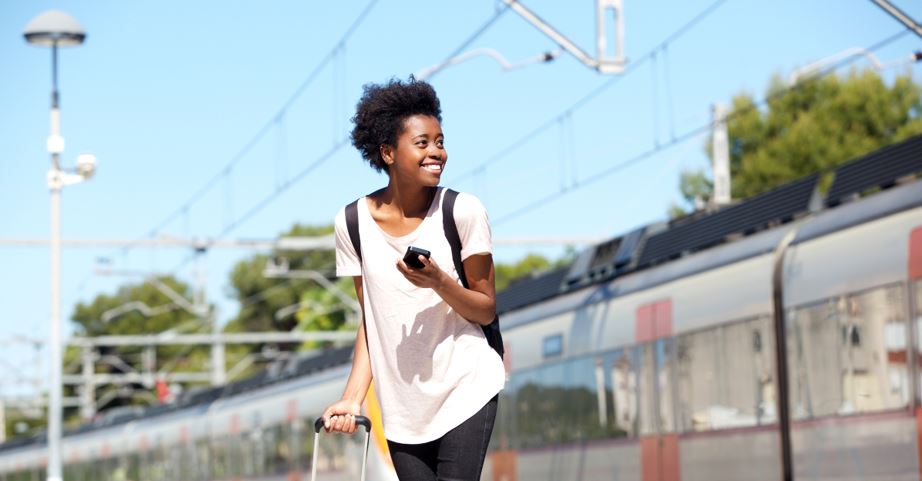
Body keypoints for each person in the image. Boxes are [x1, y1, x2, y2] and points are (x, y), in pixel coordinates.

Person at [321, 77, 505, 481]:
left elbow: (486, 306)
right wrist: (352, 398)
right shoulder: (352, 223)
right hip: (402, 405)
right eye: (422, 143)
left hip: (465, 385)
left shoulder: (462, 211)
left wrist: (440, 281)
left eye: (439, 142)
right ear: (388, 152)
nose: (436, 153)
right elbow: (371, 320)